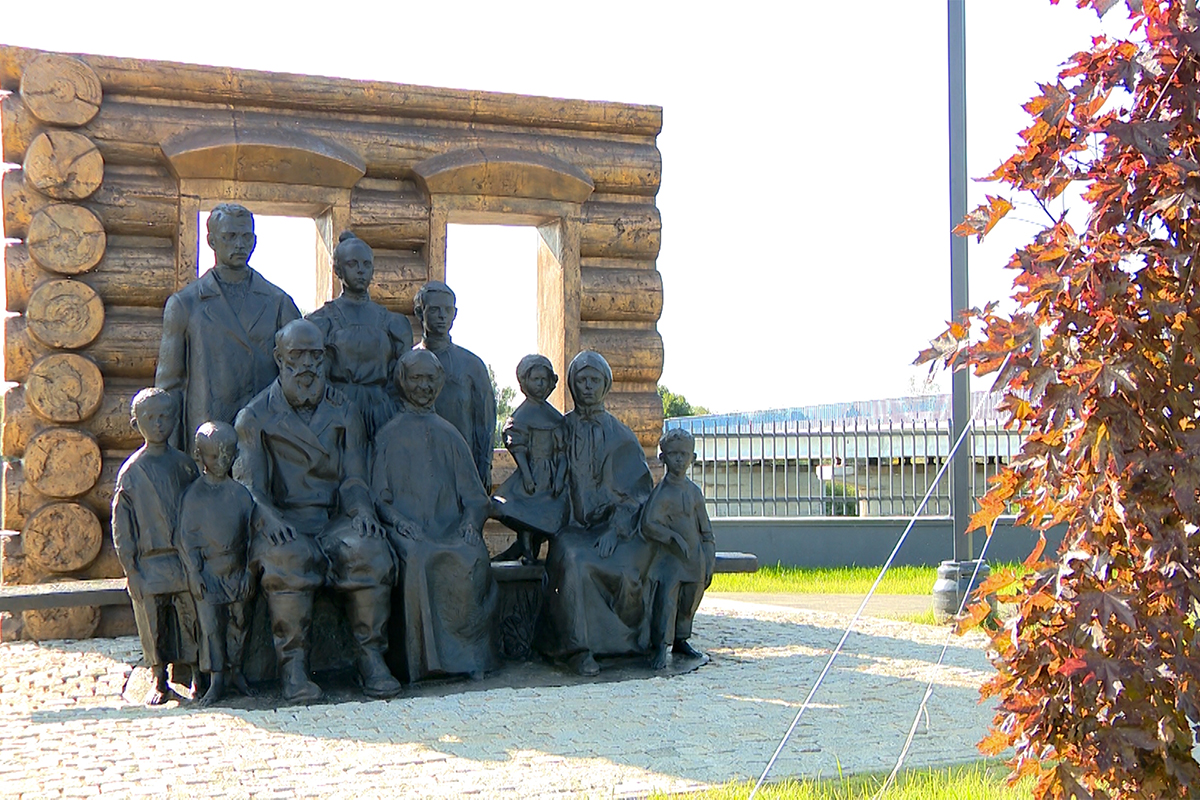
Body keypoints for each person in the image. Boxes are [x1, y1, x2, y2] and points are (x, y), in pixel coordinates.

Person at [233, 319, 400, 703]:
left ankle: (370, 658)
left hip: (333, 520)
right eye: (297, 355)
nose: (307, 364)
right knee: (290, 559)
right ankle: (293, 669)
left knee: (370, 551)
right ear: (279, 358)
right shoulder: (254, 416)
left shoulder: (345, 410)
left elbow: (354, 479)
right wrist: (269, 518)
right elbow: (250, 488)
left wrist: (362, 513)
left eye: (315, 355)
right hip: (283, 521)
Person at [373, 349, 499, 683]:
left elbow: (475, 498)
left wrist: (471, 524)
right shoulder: (388, 435)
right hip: (406, 530)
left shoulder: (450, 434)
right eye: (416, 378)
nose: (424, 386)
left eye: (430, 379)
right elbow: (379, 499)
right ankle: (421, 663)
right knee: (417, 557)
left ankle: (471, 658)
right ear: (403, 382)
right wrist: (399, 522)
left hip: (449, 528)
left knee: (470, 554)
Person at [535, 351, 655, 676]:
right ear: (573, 385)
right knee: (572, 558)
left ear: (606, 385)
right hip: (571, 529)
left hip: (616, 530)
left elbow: (638, 494)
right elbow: (546, 479)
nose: (587, 386)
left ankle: (631, 643)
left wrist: (615, 529)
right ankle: (576, 649)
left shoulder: (622, 436)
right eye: (581, 380)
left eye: (594, 380)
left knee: (631, 568)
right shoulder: (560, 430)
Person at [156, 203, 301, 452]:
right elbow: (170, 387)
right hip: (206, 441)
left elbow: (297, 374)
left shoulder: (278, 302)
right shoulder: (185, 304)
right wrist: (168, 456)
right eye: (230, 236)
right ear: (212, 241)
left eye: (246, 237)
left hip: (264, 441)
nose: (239, 244)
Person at [112, 388, 200, 705]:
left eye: (165, 417)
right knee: (152, 623)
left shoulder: (185, 466)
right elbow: (121, 527)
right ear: (137, 423)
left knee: (191, 617)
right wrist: (131, 569)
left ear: (174, 420)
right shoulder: (132, 473)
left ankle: (196, 673)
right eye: (151, 418)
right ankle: (159, 677)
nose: (159, 424)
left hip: (182, 561)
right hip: (148, 564)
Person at [177, 421, 257, 706]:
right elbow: (186, 541)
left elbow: (252, 537)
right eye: (214, 456)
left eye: (227, 455)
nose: (222, 462)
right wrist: (195, 573)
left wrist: (249, 570)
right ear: (200, 456)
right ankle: (217, 678)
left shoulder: (241, 495)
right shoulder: (193, 496)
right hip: (209, 573)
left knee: (239, 622)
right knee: (211, 627)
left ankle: (237, 670)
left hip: (237, 570)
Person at [306, 231, 413, 439]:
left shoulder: (393, 323)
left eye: (366, 264)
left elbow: (401, 376)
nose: (361, 270)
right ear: (338, 269)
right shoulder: (320, 321)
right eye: (353, 264)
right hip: (336, 414)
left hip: (382, 415)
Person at [640, 427, 716, 670]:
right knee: (667, 602)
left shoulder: (694, 492)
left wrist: (709, 560)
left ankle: (682, 639)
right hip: (669, 561)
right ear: (663, 458)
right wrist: (671, 537)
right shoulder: (661, 493)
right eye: (674, 454)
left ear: (692, 458)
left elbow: (706, 531)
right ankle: (661, 646)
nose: (680, 459)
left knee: (689, 600)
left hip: (693, 560)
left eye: (684, 454)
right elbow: (648, 524)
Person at [413, 281, 496, 488]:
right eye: (434, 310)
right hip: (417, 467)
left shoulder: (471, 365)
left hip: (461, 469)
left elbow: (485, 421)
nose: (442, 315)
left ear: (455, 313)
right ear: (419, 312)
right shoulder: (407, 363)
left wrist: (484, 466)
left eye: (447, 310)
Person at [491, 354, 568, 563]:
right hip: (531, 473)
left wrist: (560, 477)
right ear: (525, 382)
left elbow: (562, 451)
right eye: (536, 379)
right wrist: (526, 474)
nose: (540, 384)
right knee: (524, 513)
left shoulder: (555, 417)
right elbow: (517, 447)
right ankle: (526, 553)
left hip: (550, 477)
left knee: (549, 516)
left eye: (544, 380)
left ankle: (551, 558)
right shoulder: (522, 415)